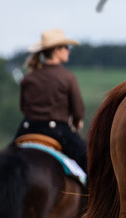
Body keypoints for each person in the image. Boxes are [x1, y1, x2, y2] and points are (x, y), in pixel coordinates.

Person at [14, 29, 87, 171]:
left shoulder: (28, 78)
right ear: (56, 51)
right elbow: (78, 112)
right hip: (58, 132)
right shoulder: (68, 77)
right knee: (90, 162)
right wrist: (77, 120)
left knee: (6, 160)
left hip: (27, 129)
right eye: (66, 47)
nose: (68, 50)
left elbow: (23, 108)